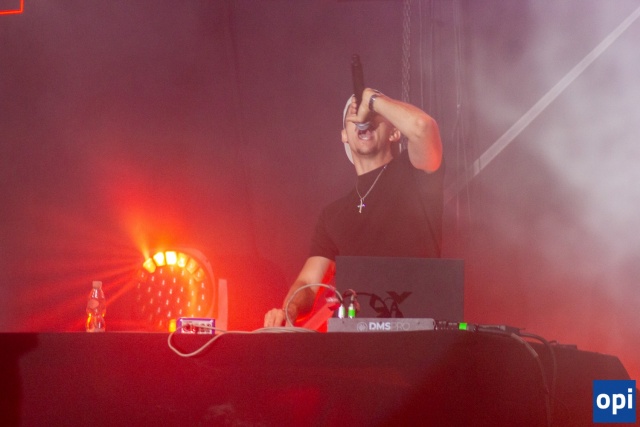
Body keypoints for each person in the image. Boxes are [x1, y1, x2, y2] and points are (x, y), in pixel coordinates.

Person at [263, 88, 444, 327]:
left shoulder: (415, 174)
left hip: (421, 336)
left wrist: (373, 100)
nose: (362, 118)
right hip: (358, 341)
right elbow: (308, 283)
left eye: (372, 116)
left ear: (394, 133)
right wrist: (290, 310)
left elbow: (423, 127)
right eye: (354, 114)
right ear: (344, 136)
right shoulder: (332, 216)